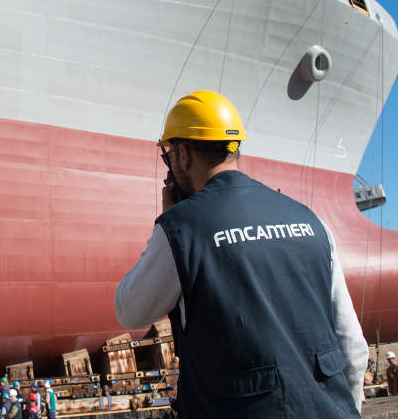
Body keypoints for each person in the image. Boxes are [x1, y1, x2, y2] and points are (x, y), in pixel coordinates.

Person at [114, 90, 369, 418]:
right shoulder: (312, 221)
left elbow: (130, 311)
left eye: (169, 156)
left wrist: (167, 223)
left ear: (183, 154)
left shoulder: (182, 228)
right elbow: (352, 345)